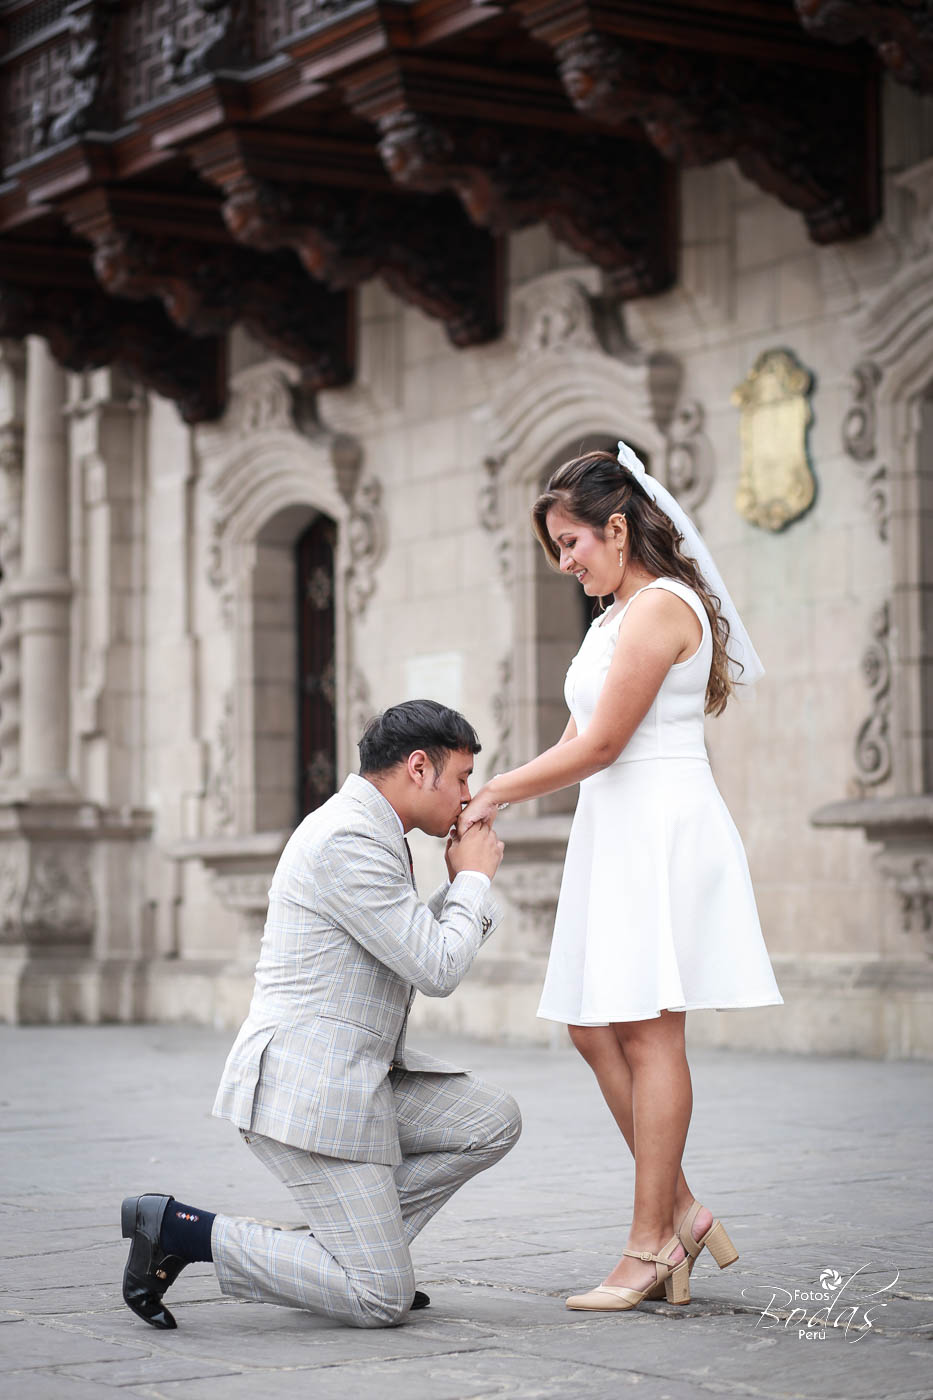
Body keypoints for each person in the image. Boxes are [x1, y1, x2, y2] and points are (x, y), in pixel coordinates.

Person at [459, 443, 782, 1315]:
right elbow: (576, 740)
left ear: (615, 526)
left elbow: (602, 745)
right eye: (555, 550)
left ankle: (650, 1243)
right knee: (591, 1025)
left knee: (648, 1030)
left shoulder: (661, 608)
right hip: (614, 828)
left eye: (570, 544)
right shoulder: (610, 621)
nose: (565, 563)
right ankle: (682, 1211)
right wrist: (498, 792)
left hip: (659, 825)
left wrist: (494, 791)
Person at [120, 699, 519, 1331]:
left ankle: (348, 1257)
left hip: (357, 1076)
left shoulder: (371, 829)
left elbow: (405, 942)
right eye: (463, 777)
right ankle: (179, 1230)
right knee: (380, 1299)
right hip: (309, 1090)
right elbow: (436, 968)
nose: (468, 796)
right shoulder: (347, 839)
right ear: (419, 768)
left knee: (489, 1120)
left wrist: (463, 885)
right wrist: (473, 882)